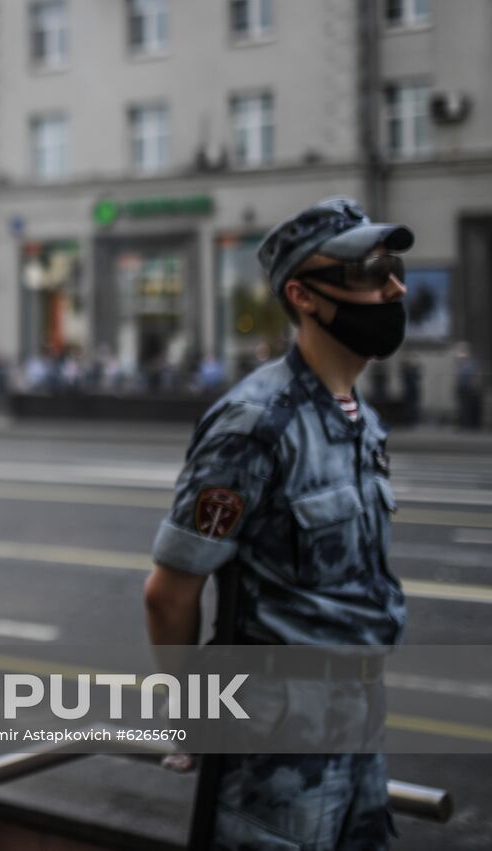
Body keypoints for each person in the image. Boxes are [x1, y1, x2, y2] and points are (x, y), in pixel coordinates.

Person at [143, 197, 409, 850]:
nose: (392, 286)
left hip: (358, 727)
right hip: (276, 752)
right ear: (305, 296)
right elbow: (170, 592)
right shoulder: (258, 424)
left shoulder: (359, 422)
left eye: (392, 266)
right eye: (368, 272)